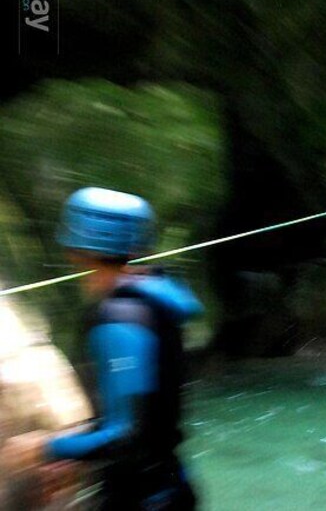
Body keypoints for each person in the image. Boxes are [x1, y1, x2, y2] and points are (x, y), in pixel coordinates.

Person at [2, 187, 201, 510]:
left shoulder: (118, 319)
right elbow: (137, 420)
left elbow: (128, 434)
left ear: (78, 248)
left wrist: (45, 448)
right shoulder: (151, 303)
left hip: (143, 499)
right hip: (165, 486)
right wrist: (73, 451)